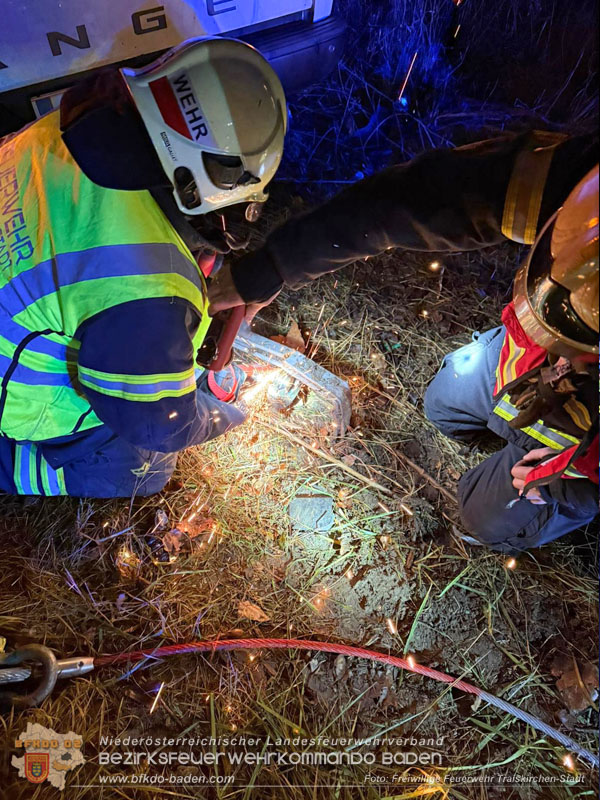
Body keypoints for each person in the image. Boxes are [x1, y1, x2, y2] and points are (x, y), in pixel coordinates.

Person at [209, 131, 599, 553]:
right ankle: (508, 408)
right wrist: (272, 267)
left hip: (579, 446)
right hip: (524, 362)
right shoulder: (580, 185)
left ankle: (555, 505)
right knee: (440, 405)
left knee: (478, 512)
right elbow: (408, 201)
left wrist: (569, 476)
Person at [0, 37, 287, 498]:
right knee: (144, 466)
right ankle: (11, 463)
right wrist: (221, 414)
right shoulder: (147, 289)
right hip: (6, 390)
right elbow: (159, 425)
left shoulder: (76, 128)